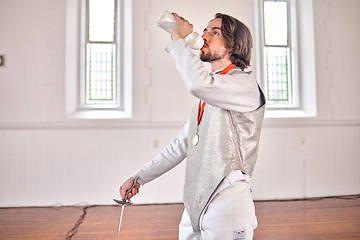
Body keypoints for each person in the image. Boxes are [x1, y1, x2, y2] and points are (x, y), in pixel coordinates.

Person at [120, 12, 266, 240]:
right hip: (194, 205)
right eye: (205, 30)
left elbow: (198, 83)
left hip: (227, 205)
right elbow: (180, 145)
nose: (204, 35)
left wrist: (178, 39)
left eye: (215, 32)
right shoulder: (211, 93)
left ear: (234, 45)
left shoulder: (245, 86)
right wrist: (139, 177)